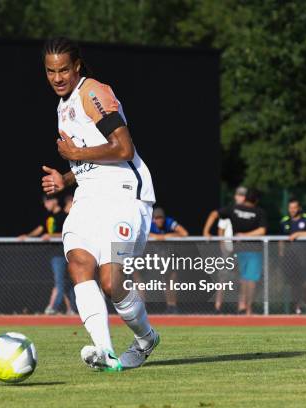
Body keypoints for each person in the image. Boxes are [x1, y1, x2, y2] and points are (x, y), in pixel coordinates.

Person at [40, 37, 158, 371]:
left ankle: (146, 339)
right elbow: (90, 162)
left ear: (77, 66)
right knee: (78, 263)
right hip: (88, 200)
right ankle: (106, 354)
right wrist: (67, 177)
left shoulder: (93, 92)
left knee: (112, 282)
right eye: (51, 71)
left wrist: (75, 155)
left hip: (125, 198)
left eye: (64, 69)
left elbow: (123, 149)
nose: (57, 77)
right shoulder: (63, 108)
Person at [18, 195, 75, 315]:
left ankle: (53, 308)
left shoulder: (65, 216)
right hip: (55, 254)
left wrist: (52, 236)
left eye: (47, 202)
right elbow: (40, 229)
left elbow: (68, 232)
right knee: (62, 283)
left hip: (65, 253)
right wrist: (27, 236)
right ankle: (71, 309)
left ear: (54, 201)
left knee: (65, 283)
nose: (45, 205)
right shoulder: (48, 217)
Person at [217, 189, 267, 315]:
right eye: (238, 194)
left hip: (239, 249)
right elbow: (220, 230)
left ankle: (242, 307)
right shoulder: (231, 210)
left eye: (242, 195)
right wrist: (223, 247)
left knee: (244, 279)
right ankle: (218, 307)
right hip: (231, 250)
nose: (239, 197)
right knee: (226, 279)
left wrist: (243, 235)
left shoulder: (236, 211)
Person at [279, 198, 306, 314]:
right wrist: (281, 254)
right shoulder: (285, 221)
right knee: (294, 284)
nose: (292, 210)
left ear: (299, 208)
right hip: (291, 258)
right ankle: (297, 308)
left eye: (295, 207)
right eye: (290, 208)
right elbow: (281, 240)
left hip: (305, 257)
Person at [148, 207, 188, 313]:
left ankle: (173, 306)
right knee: (163, 281)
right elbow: (141, 235)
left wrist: (166, 236)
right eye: (157, 218)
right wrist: (156, 237)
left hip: (170, 255)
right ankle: (167, 306)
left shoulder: (169, 222)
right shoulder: (149, 223)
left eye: (161, 218)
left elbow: (184, 233)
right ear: (153, 219)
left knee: (172, 280)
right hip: (154, 257)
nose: (159, 220)